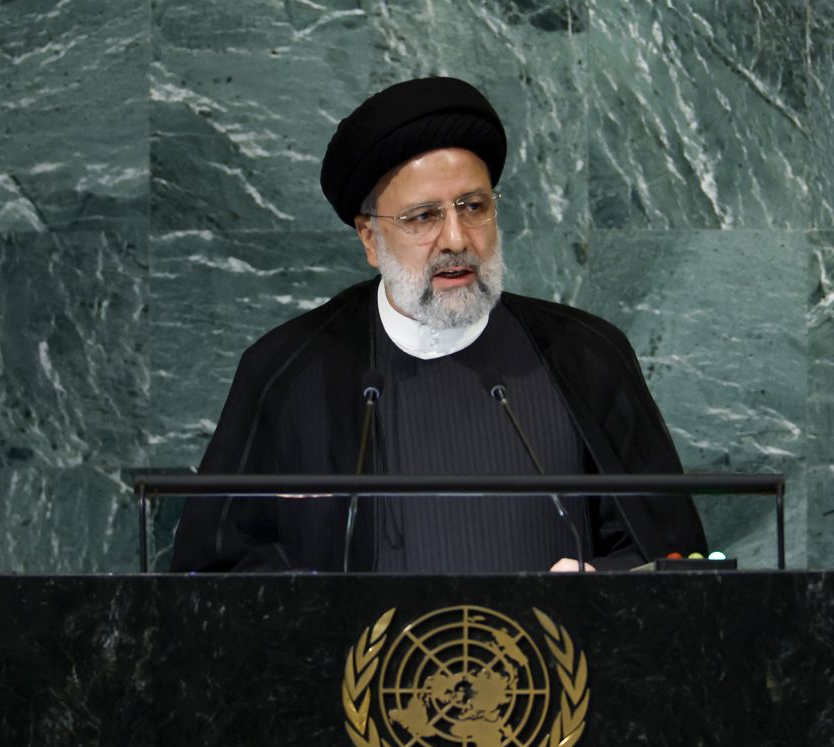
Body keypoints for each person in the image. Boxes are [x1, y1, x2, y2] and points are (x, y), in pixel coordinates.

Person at [170, 77, 705, 573]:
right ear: (369, 239)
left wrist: (600, 584)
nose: (455, 238)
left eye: (473, 206)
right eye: (423, 216)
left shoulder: (586, 355)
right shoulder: (288, 372)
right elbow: (213, 573)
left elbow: (676, 558)